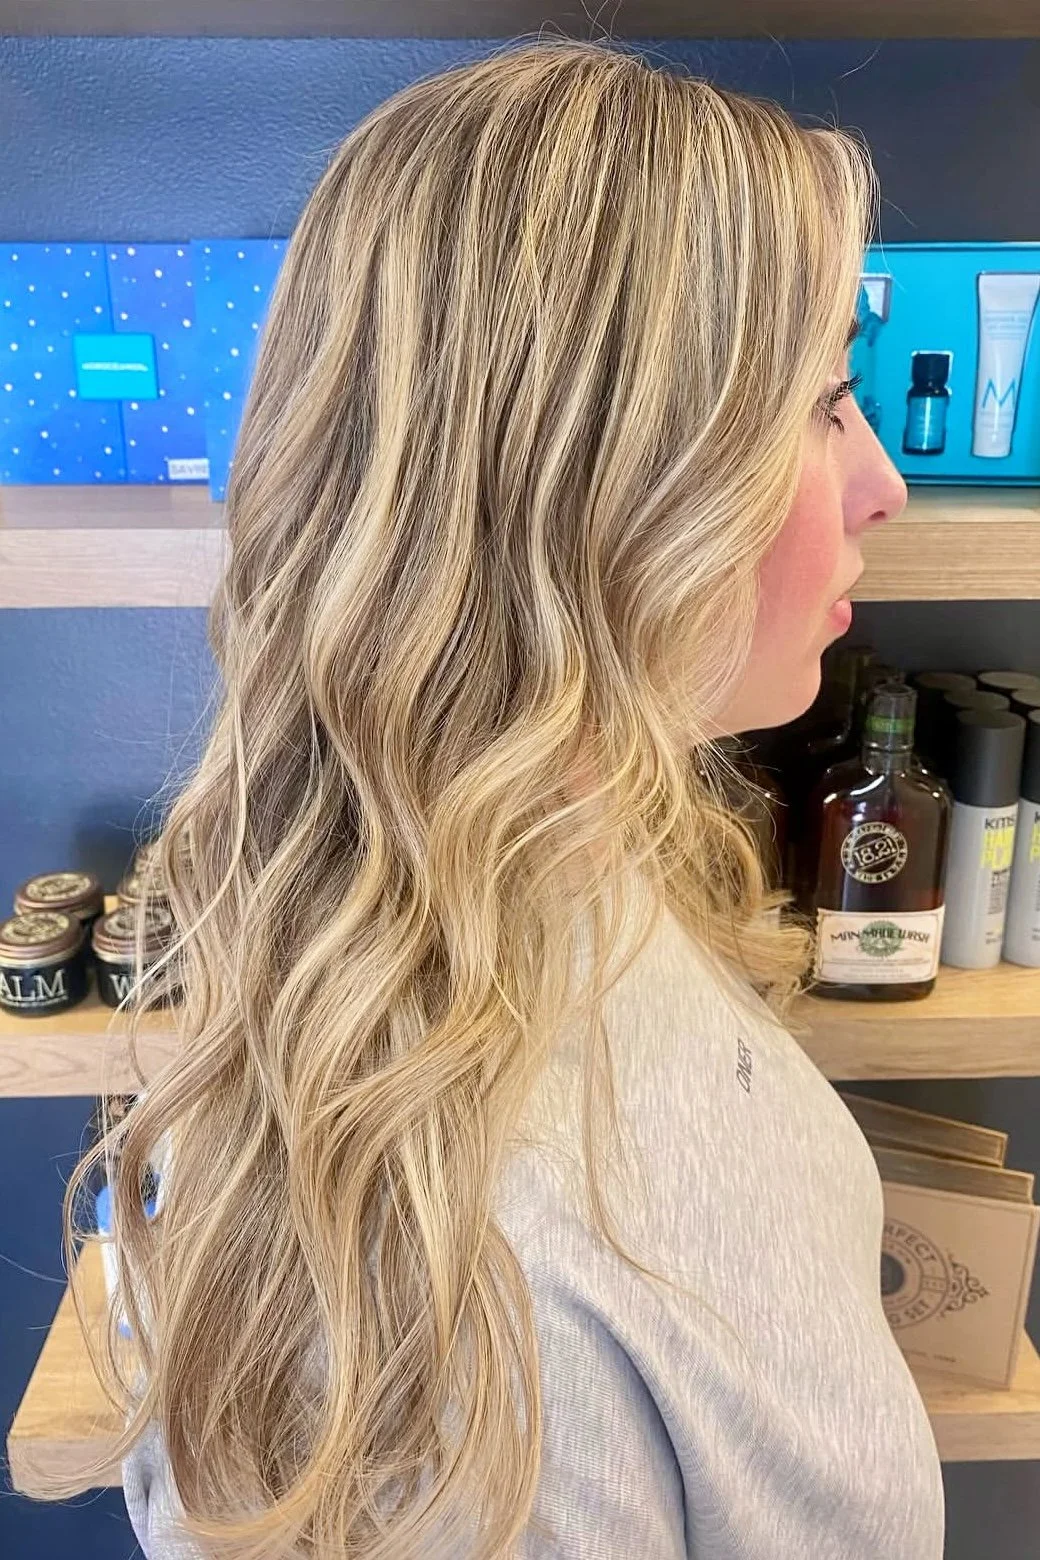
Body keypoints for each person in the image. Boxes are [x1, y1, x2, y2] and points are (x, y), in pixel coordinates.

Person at [55, 37, 941, 1560]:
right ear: (604, 488)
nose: (886, 487)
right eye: (824, 405)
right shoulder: (488, 1310)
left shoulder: (580, 863)